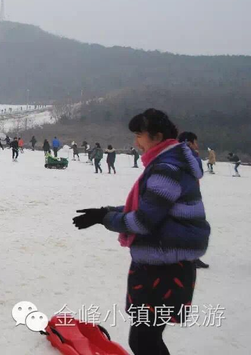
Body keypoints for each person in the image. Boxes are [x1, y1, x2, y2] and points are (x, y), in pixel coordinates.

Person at [73, 109, 209, 355]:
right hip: (164, 262)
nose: (136, 142)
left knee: (144, 340)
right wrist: (104, 212)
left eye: (139, 135)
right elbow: (150, 208)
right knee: (147, 338)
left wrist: (105, 218)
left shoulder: (166, 169)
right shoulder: (169, 163)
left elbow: (144, 221)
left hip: (164, 268)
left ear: (157, 137)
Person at [177, 131, 209, 269]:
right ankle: (190, 257)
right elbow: (198, 172)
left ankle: (190, 256)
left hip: (187, 193)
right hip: (187, 196)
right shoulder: (188, 155)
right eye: (195, 142)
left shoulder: (177, 154)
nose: (197, 145)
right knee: (190, 227)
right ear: (189, 142)